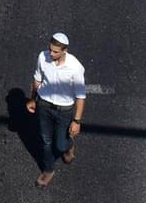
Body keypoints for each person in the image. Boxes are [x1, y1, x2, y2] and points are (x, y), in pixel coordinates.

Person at [25, 32, 87, 187]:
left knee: (59, 144)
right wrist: (33, 99)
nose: (51, 54)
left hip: (64, 109)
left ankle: (68, 144)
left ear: (64, 51)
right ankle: (48, 170)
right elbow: (37, 80)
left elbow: (80, 96)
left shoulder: (75, 67)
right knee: (45, 141)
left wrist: (77, 121)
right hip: (44, 105)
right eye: (50, 49)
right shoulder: (42, 57)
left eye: (55, 52)